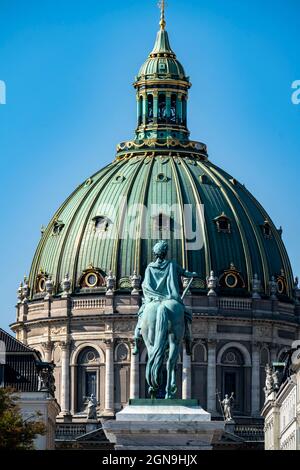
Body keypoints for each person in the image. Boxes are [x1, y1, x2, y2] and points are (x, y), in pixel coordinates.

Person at [132, 241, 197, 355]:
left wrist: (151, 296)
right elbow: (185, 273)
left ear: (155, 253)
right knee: (185, 316)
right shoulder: (172, 265)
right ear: (165, 253)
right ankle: (187, 339)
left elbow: (145, 286)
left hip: (152, 298)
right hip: (170, 297)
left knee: (142, 315)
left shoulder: (150, 268)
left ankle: (136, 339)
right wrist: (193, 274)